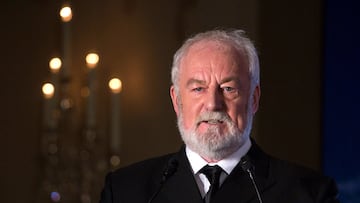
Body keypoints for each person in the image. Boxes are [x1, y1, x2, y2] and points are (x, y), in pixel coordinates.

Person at [99, 29, 339, 203]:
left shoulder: (309, 193)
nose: (213, 104)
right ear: (176, 100)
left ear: (253, 99)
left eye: (228, 89)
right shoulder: (125, 190)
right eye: (198, 89)